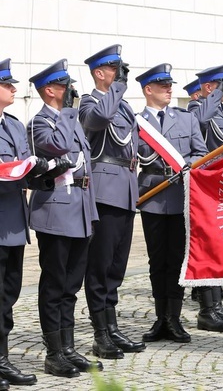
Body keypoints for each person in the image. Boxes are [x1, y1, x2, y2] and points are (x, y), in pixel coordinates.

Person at [28, 59, 101, 378]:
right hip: (56, 211)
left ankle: (68, 347)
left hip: (81, 208)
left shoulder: (69, 120)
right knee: (55, 282)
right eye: (64, 85)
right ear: (49, 90)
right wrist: (70, 111)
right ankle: (54, 352)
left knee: (72, 284)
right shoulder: (40, 122)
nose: (71, 90)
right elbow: (57, 147)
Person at [79, 45, 145, 359]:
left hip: (126, 190)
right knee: (100, 265)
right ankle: (100, 333)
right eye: (114, 70)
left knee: (117, 266)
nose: (119, 76)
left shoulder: (124, 106)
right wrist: (118, 87)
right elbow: (101, 118)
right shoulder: (90, 103)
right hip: (105, 191)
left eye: (120, 70)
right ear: (99, 73)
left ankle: (112, 326)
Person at [135, 64, 207, 344]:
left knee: (177, 259)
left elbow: (201, 153)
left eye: (170, 85)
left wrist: (186, 166)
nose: (169, 89)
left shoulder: (186, 119)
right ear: (148, 90)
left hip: (180, 196)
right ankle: (159, 318)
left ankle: (174, 318)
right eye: (163, 86)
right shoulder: (137, 122)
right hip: (152, 196)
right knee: (157, 262)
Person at [0, 59, 50, 387]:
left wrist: (43, 169)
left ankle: (1, 360)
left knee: (8, 292)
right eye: (7, 84)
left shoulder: (16, 125)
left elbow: (24, 163)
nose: (14, 88)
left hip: (14, 223)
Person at [187, 64, 223, 332]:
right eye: (221, 85)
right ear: (208, 87)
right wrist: (211, 96)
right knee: (207, 247)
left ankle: (217, 307)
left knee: (219, 248)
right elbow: (200, 123)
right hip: (205, 187)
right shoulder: (196, 108)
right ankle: (207, 310)